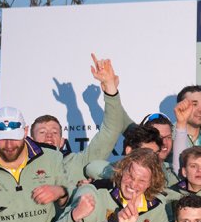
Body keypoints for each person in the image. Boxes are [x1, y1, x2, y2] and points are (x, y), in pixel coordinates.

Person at [30, 55, 129, 184]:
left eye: (55, 132)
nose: (49, 135)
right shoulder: (19, 168)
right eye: (42, 132)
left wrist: (110, 87)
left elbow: (111, 130)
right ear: (30, 141)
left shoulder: (79, 164)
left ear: (62, 142)